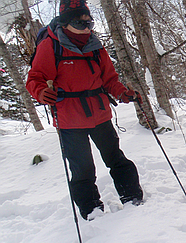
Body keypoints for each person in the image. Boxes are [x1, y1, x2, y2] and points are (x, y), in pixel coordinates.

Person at [27, 0, 144, 220]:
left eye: (89, 22)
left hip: (100, 115)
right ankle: (92, 213)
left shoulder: (95, 46)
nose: (86, 28)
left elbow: (109, 79)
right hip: (69, 120)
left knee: (116, 159)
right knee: (83, 170)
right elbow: (35, 79)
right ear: (66, 23)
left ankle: (133, 199)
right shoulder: (51, 46)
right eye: (80, 23)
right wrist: (41, 92)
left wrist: (122, 93)